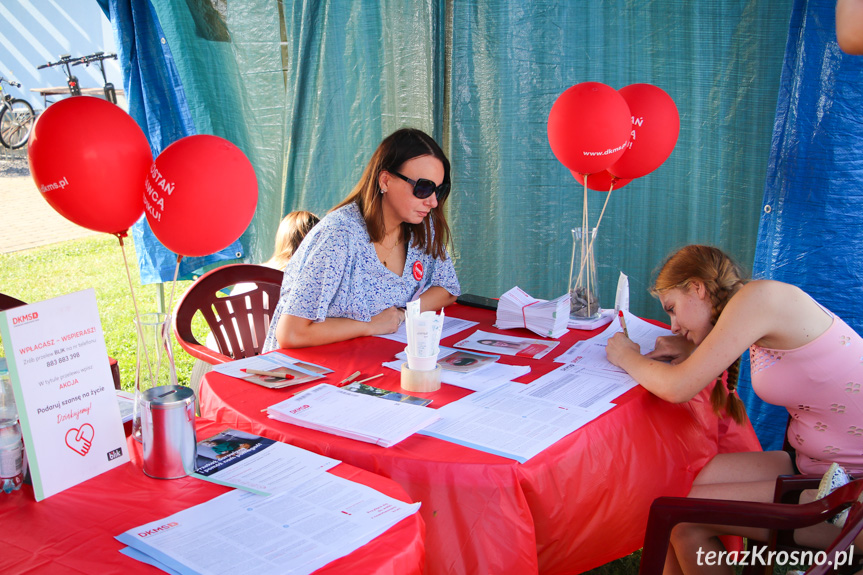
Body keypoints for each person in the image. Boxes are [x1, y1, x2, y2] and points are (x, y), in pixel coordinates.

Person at [605, 245, 863, 574]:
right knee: (668, 494)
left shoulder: (759, 299)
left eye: (672, 309)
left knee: (681, 518)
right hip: (815, 472)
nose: (672, 325)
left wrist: (627, 357)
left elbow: (677, 387)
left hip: (849, 494)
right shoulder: (755, 306)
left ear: (697, 287)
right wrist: (690, 345)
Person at [263, 127, 460, 350]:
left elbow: (447, 289)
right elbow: (291, 334)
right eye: (424, 188)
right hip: (309, 368)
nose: (433, 202)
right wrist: (370, 325)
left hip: (371, 357)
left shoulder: (422, 225)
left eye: (439, 190)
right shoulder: (339, 236)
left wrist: (402, 314)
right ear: (385, 180)